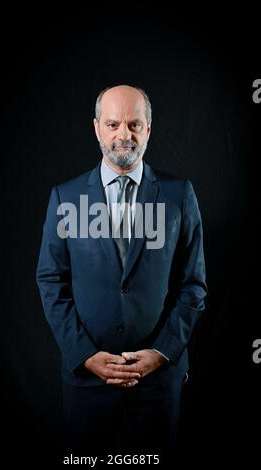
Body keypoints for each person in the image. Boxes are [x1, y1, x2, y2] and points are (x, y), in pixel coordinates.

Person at [36, 85, 207, 457]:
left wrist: (161, 352)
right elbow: (51, 280)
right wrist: (85, 355)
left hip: (160, 381)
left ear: (148, 129)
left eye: (134, 124)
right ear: (97, 128)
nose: (123, 135)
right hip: (87, 380)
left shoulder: (179, 195)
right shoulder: (66, 198)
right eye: (113, 124)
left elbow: (193, 285)